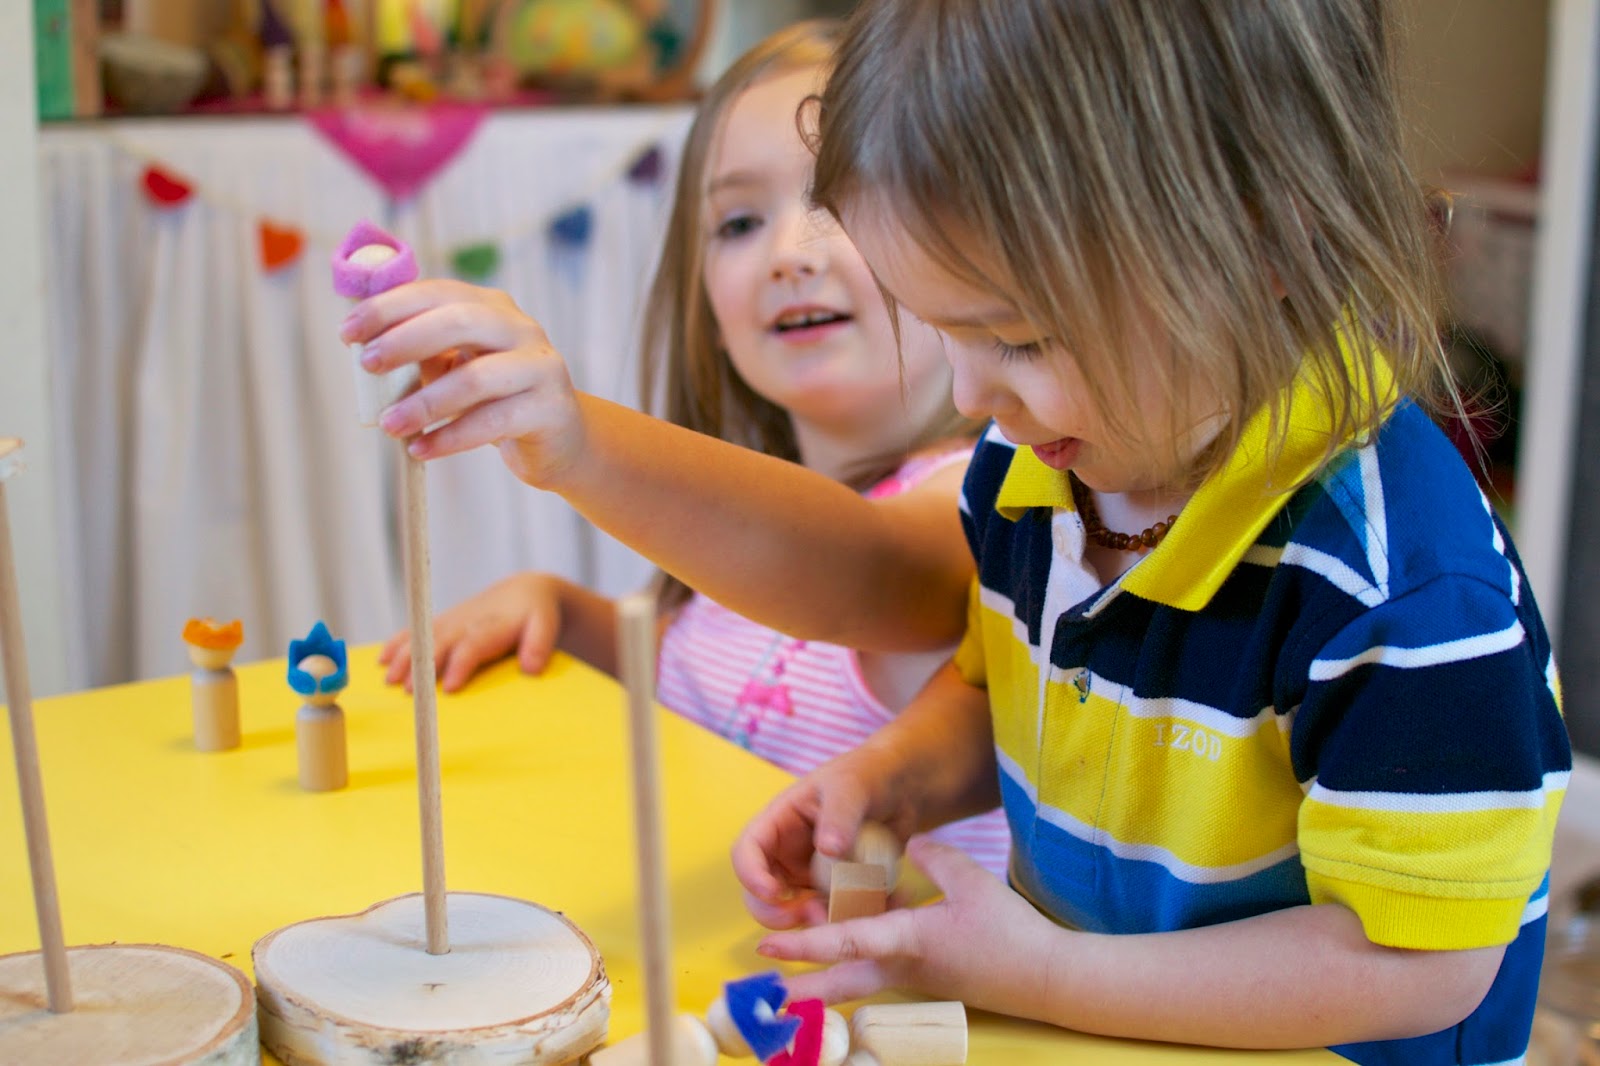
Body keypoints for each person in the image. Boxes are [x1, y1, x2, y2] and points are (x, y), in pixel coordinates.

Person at [340, 1, 1571, 1061]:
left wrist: (1039, 972)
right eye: (948, 333)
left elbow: (1420, 965)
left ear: (1262, 248)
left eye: (1020, 339)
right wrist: (893, 779)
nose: (972, 398)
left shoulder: (1404, 590)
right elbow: (1005, 692)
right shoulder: (1037, 466)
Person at [371, 19, 1011, 878]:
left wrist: (582, 444)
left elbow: (864, 571)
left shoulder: (989, 497)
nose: (789, 254)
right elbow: (694, 675)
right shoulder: (727, 541)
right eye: (740, 222)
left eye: (841, 202)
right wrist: (567, 614)